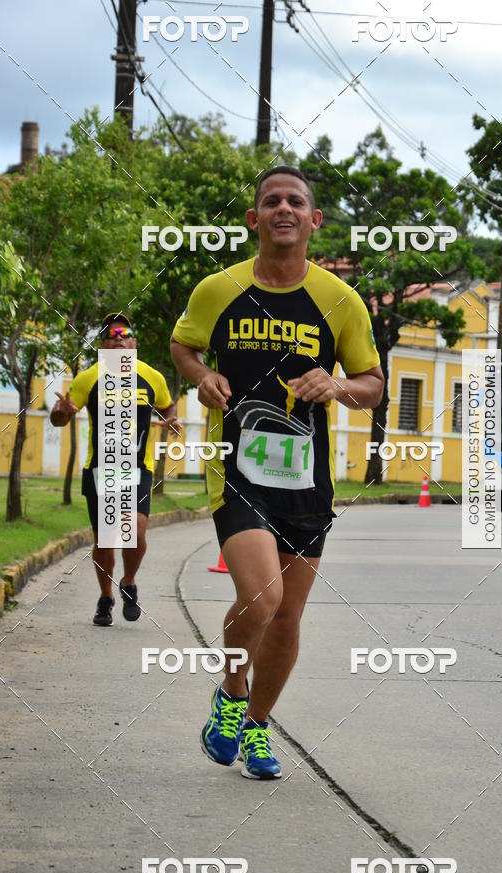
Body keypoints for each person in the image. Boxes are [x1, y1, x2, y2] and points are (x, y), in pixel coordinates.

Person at [170, 166, 384, 779]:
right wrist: (202, 376)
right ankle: (231, 692)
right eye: (271, 201)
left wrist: (338, 382)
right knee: (260, 599)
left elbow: (373, 385)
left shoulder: (341, 301)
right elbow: (185, 345)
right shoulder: (218, 289)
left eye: (296, 201)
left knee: (288, 614)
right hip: (235, 467)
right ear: (254, 219)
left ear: (314, 220)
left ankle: (257, 726)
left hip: (306, 477)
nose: (283, 208)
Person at [50, 313, 179, 626]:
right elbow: (61, 416)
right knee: (106, 538)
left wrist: (171, 418)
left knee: (134, 530)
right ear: (103, 344)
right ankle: (106, 597)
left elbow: (167, 405)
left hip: (138, 468)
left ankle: (129, 582)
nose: (119, 337)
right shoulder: (88, 378)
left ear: (135, 342)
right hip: (101, 469)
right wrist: (60, 412)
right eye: (112, 333)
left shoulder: (152, 377)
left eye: (126, 332)